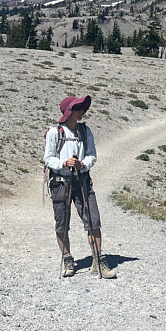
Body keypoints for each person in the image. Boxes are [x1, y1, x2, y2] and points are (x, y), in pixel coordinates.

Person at [44, 95, 115, 279]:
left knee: (93, 220)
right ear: (68, 111)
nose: (81, 111)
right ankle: (68, 259)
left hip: (82, 179)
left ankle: (98, 261)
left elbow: (92, 154)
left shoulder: (85, 131)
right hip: (61, 182)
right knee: (62, 223)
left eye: (82, 108)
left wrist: (83, 164)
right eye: (77, 108)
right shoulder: (55, 132)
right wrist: (64, 163)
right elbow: (48, 158)